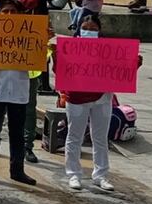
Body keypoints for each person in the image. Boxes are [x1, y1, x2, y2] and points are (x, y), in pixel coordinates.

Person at [59, 15, 140, 192]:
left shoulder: (109, 49)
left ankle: (101, 175)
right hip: (77, 98)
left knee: (100, 138)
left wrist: (134, 64)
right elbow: (61, 72)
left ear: (99, 30)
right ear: (79, 29)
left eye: (93, 29)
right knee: (74, 136)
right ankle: (73, 174)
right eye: (86, 28)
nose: (89, 32)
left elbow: (120, 69)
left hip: (102, 98)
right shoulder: (69, 48)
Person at [0, 0, 38, 186]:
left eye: (13, 12)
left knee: (17, 131)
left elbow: (40, 57)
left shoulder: (30, 34)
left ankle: (17, 170)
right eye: (5, 12)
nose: (9, 16)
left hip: (18, 90)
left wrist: (44, 40)